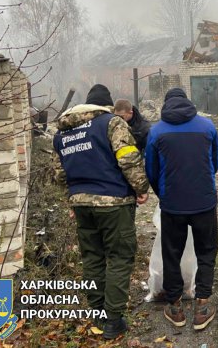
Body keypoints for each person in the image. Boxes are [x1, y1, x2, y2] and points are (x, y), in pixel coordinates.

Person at [52, 84, 149, 339]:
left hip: (81, 203)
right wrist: (141, 187)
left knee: (93, 257)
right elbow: (128, 157)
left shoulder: (63, 133)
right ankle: (113, 320)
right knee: (119, 256)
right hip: (113, 202)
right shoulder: (111, 123)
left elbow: (60, 174)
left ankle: (98, 313)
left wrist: (72, 199)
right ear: (106, 105)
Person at [145, 87, 218, 331]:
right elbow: (215, 162)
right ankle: (203, 305)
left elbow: (151, 171)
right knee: (206, 251)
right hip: (204, 203)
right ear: (188, 101)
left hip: (173, 206)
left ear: (166, 105)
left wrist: (165, 194)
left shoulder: (156, 131)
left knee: (171, 253)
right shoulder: (207, 126)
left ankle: (175, 306)